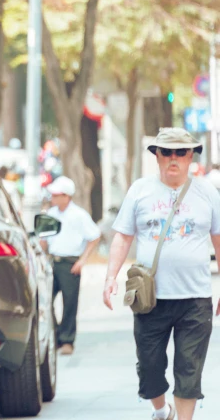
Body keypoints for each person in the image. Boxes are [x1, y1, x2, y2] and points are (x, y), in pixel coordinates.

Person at [103, 127, 220, 420]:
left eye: (181, 152)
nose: (174, 159)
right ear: (156, 155)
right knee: (150, 366)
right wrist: (109, 278)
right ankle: (161, 410)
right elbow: (122, 237)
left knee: (188, 369)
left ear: (191, 155)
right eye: (166, 152)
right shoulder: (140, 190)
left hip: (195, 299)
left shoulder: (208, 192)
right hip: (150, 299)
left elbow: (219, 239)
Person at [41, 175, 101, 355]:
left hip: (70, 263)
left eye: (56, 195)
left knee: (69, 303)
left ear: (66, 196)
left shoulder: (79, 215)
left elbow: (94, 236)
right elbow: (44, 240)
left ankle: (67, 340)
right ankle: (55, 332)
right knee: (45, 301)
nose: (52, 198)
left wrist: (82, 260)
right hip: (53, 261)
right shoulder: (50, 215)